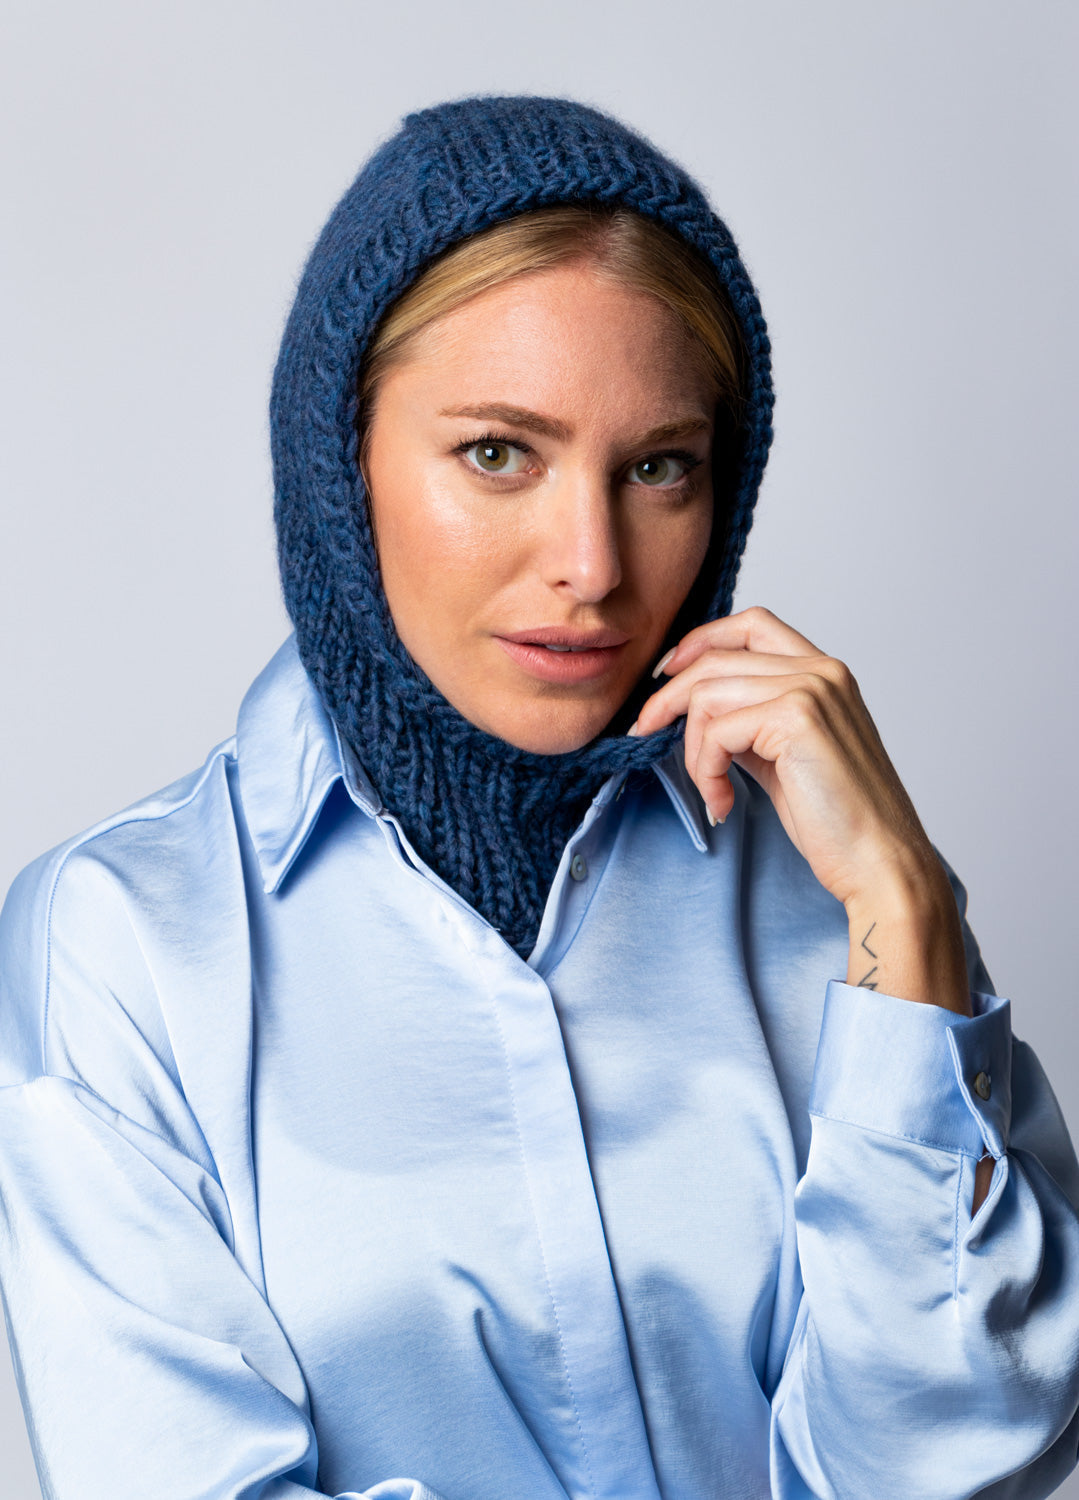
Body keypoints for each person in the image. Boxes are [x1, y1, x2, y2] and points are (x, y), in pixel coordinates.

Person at [0, 93, 1077, 1500]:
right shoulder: (124, 946)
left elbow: (959, 1466)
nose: (593, 562)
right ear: (339, 461)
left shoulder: (849, 905)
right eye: (498, 453)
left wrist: (907, 911)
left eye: (658, 468)